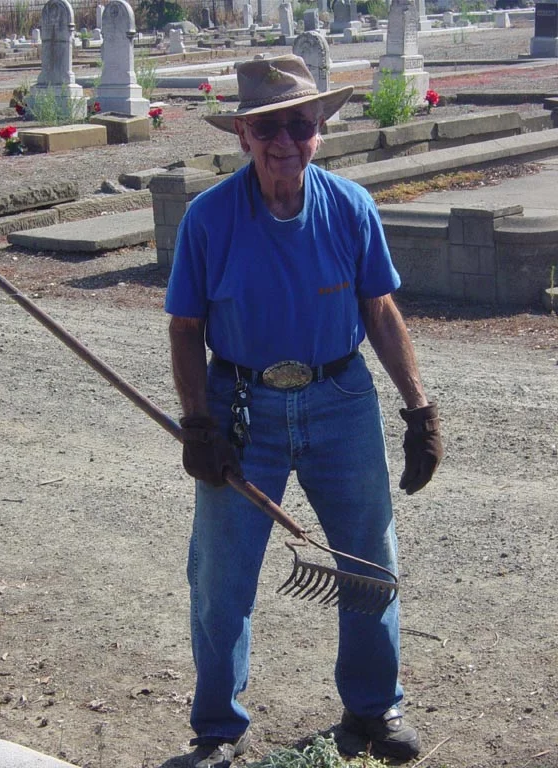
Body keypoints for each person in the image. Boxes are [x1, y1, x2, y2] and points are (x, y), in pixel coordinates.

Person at [165, 55, 443, 767]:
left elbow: (379, 309)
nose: (285, 141)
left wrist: (419, 409)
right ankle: (216, 730)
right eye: (268, 128)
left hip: (339, 400)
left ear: (320, 129)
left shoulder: (350, 207)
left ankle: (373, 708)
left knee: (368, 560)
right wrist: (199, 423)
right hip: (240, 408)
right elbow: (186, 328)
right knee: (221, 577)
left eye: (300, 124)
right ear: (243, 135)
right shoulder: (209, 218)